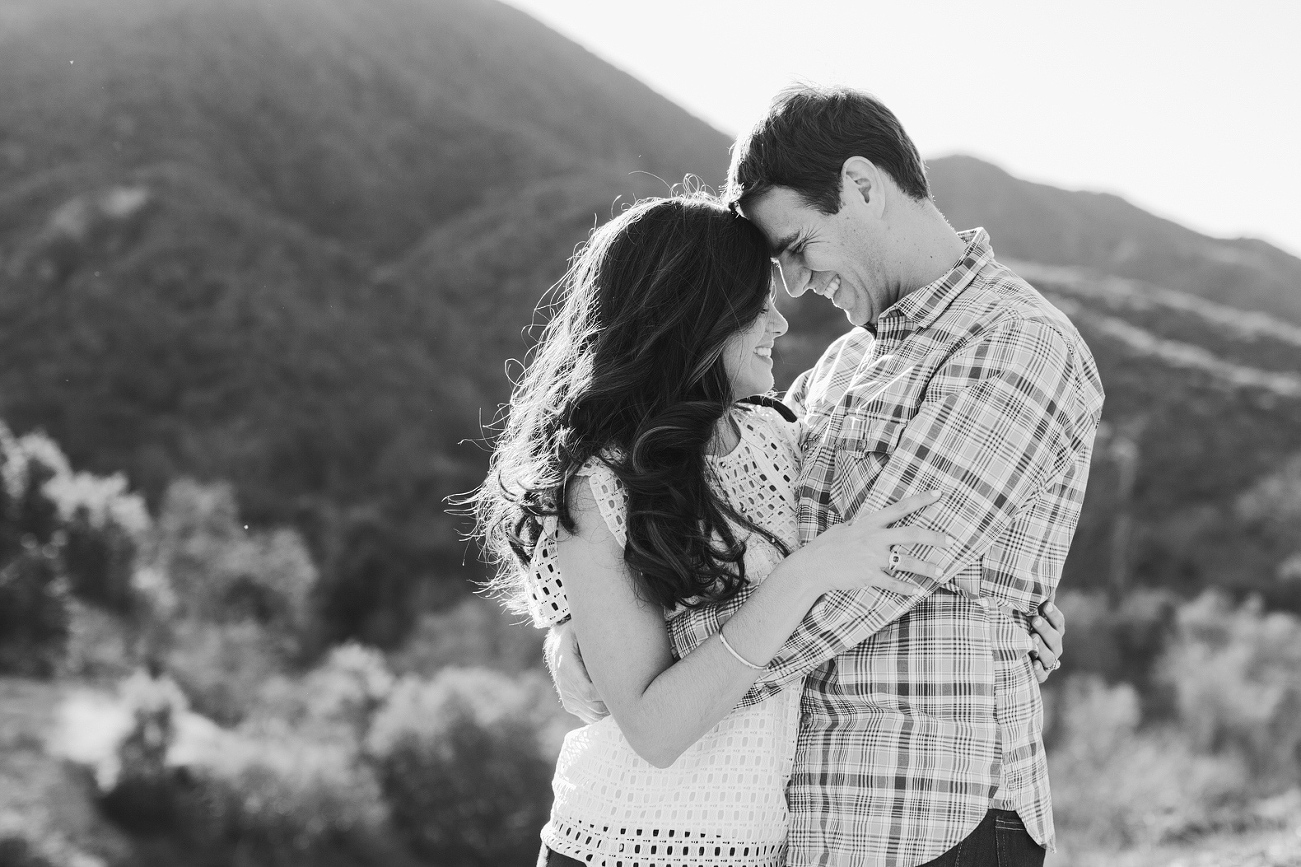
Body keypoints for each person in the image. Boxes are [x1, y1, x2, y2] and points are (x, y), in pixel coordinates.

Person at [551, 85, 1102, 867]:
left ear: (863, 187)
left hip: (929, 816)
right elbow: (733, 528)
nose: (796, 286)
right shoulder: (841, 368)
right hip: (803, 827)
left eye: (798, 246)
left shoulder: (1013, 346)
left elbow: (865, 584)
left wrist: (646, 675)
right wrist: (586, 633)